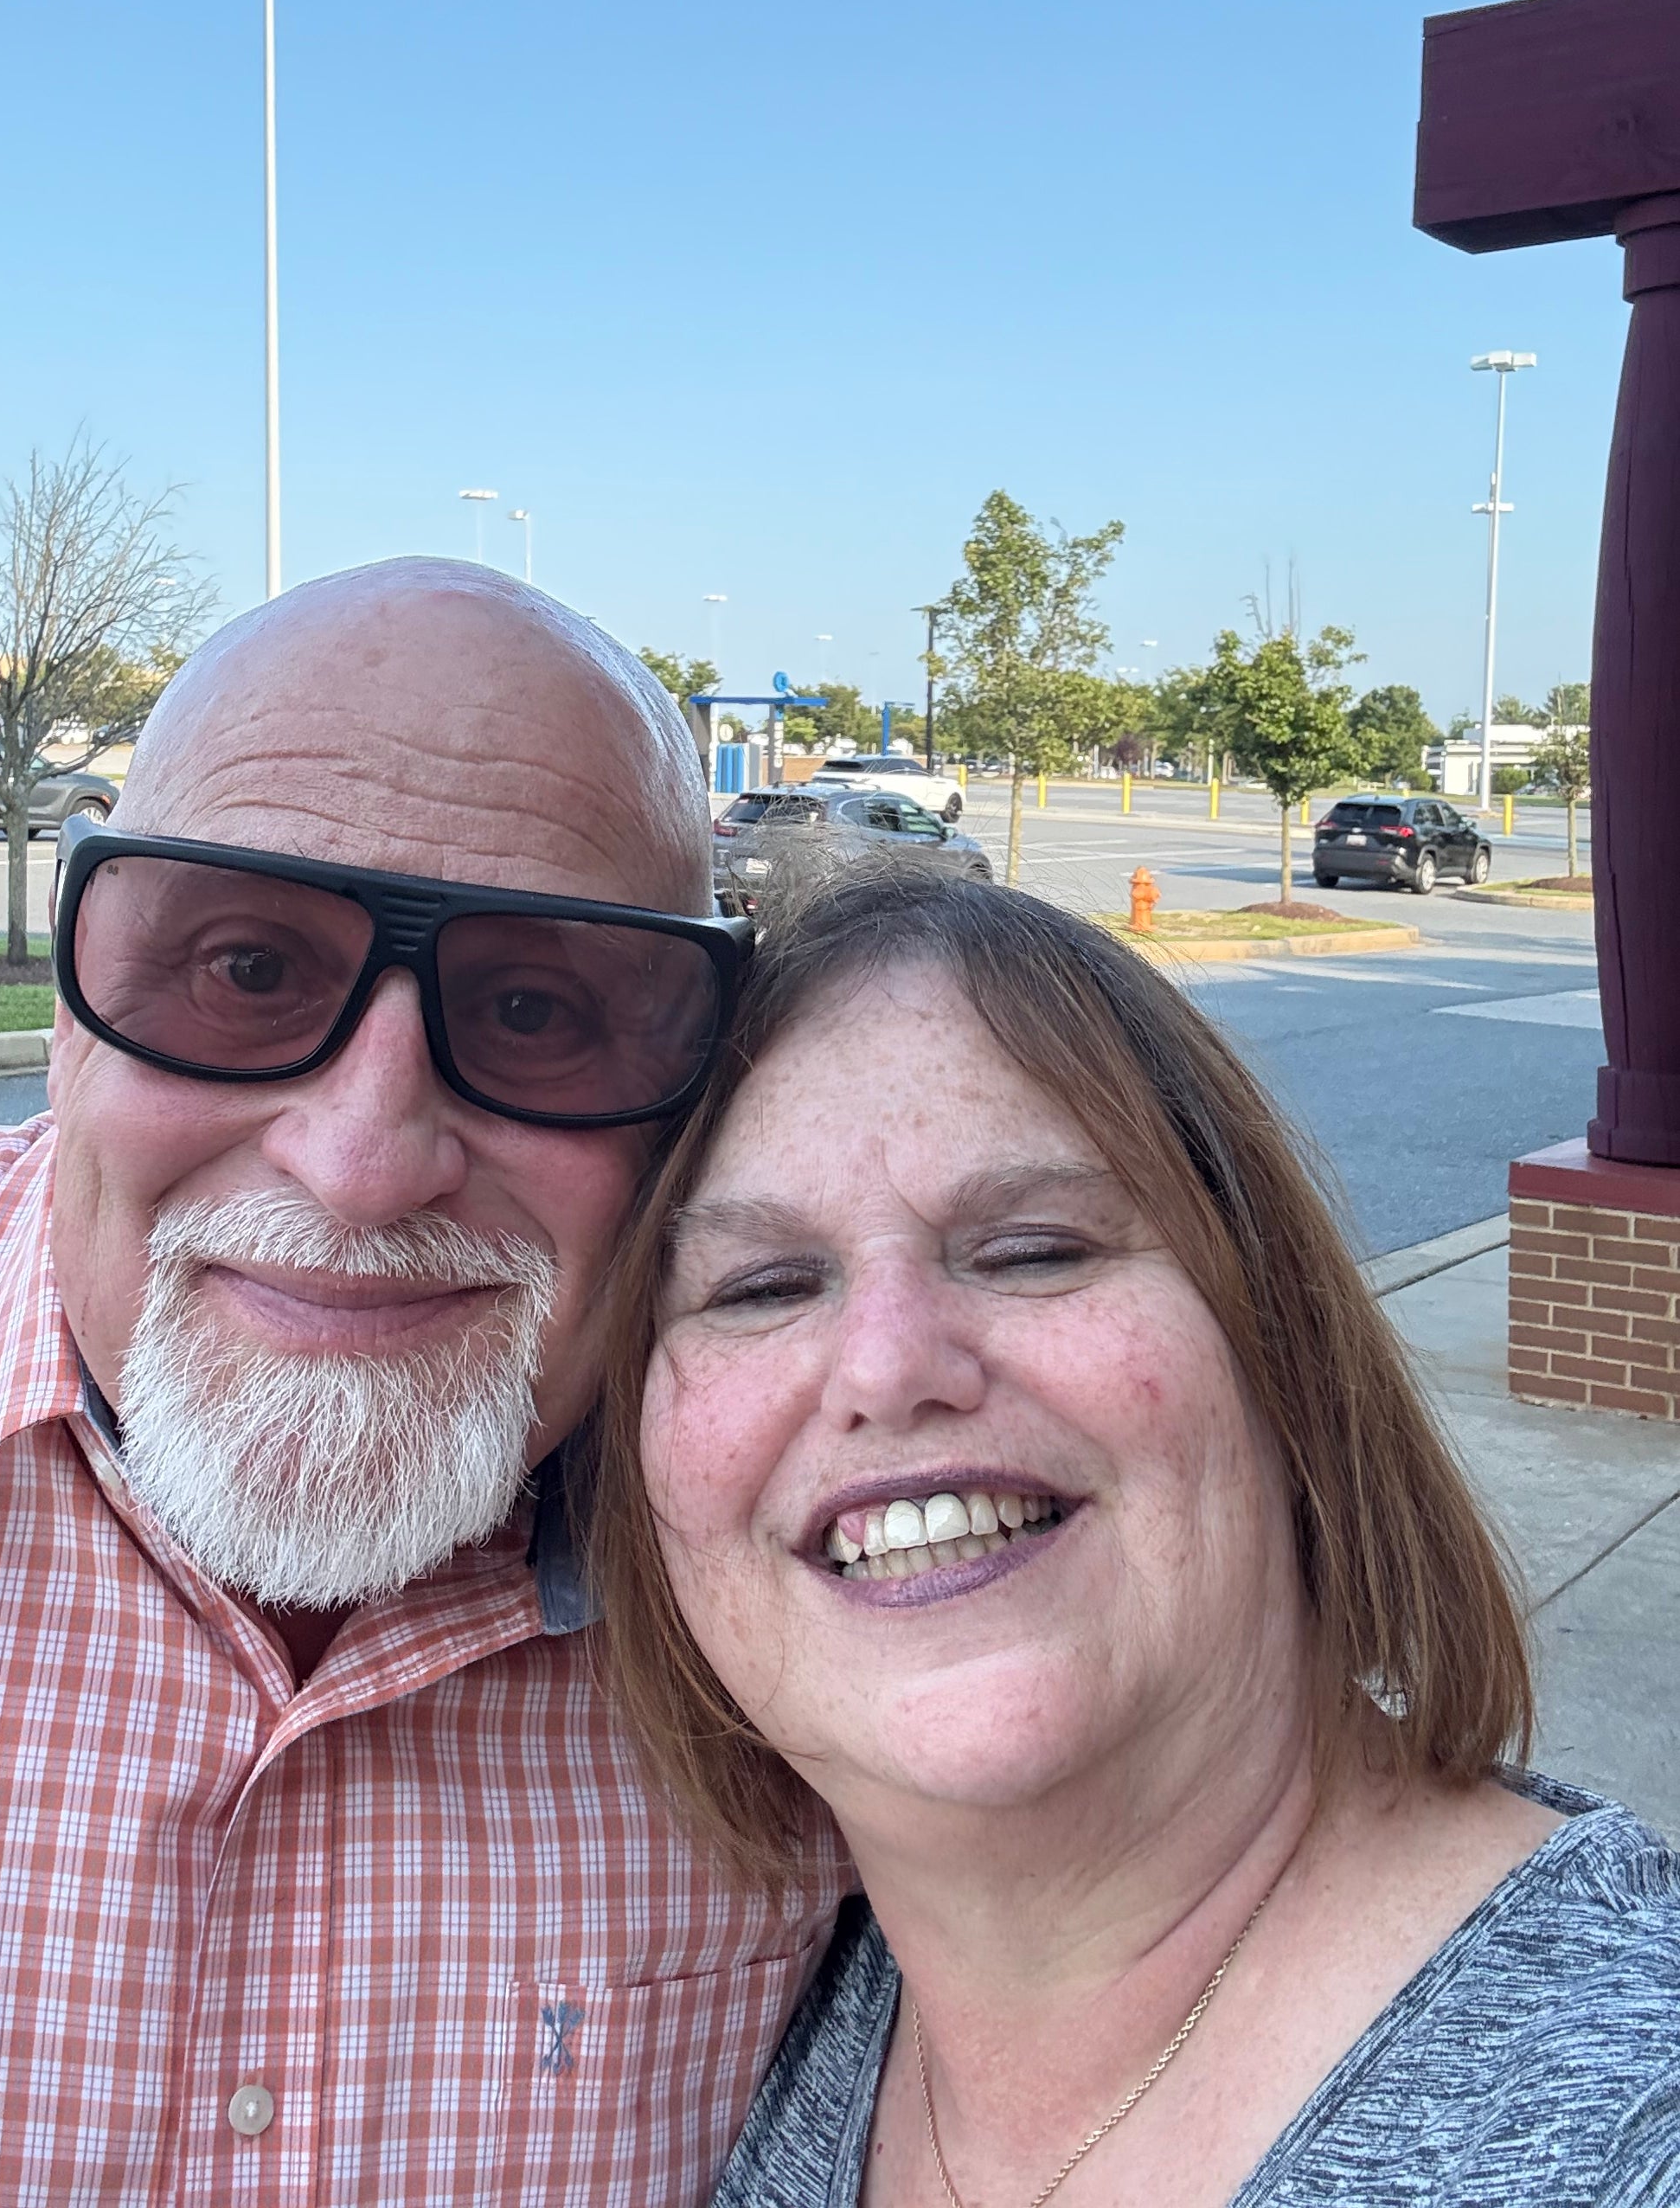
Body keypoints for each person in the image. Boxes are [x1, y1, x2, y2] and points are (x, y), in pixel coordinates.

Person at [0, 562, 843, 2206]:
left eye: (531, 1008)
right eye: (246, 971)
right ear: (70, 1012)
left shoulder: (832, 1558)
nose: (365, 1163)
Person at [595, 855, 1680, 2207]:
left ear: (1278, 1351)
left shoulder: (1630, 2109)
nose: (886, 1368)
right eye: (760, 1286)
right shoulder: (760, 2038)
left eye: (1035, 1249)